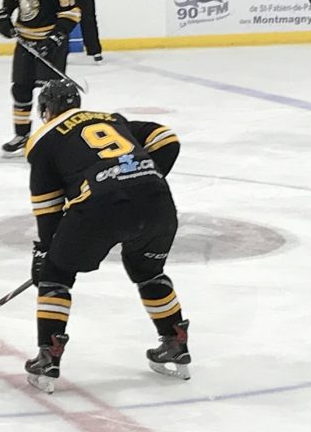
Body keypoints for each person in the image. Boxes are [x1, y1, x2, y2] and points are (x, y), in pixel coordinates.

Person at [23, 80, 188, 393]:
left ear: (46, 110)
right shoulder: (113, 119)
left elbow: (47, 206)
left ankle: (48, 356)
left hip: (102, 207)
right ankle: (175, 342)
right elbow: (166, 138)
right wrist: (143, 175)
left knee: (56, 275)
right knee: (148, 270)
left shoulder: (43, 139)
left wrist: (46, 250)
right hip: (158, 202)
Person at [0, 0, 81, 156]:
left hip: (49, 43)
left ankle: (54, 139)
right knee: (20, 88)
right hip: (25, 42)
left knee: (52, 95)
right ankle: (22, 135)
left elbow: (71, 14)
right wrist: (4, 15)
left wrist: (54, 39)